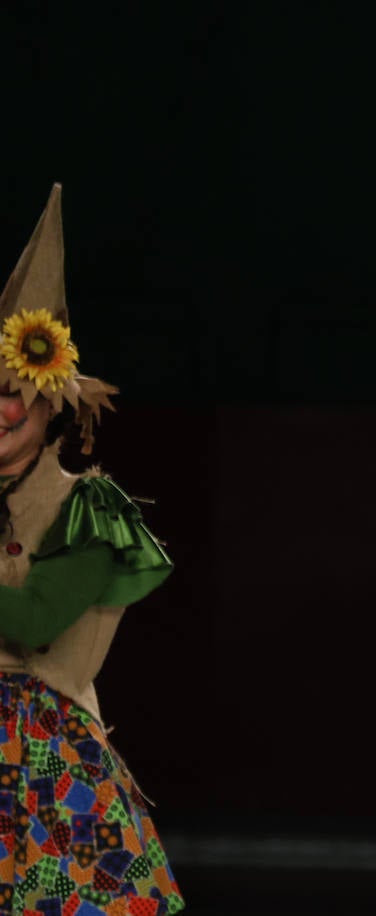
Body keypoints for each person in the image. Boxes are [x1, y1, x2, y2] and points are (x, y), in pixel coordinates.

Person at [0, 184, 183, 914]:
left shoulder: (89, 511)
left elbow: (33, 621)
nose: (4, 409)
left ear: (54, 405)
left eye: (20, 391)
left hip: (47, 772)